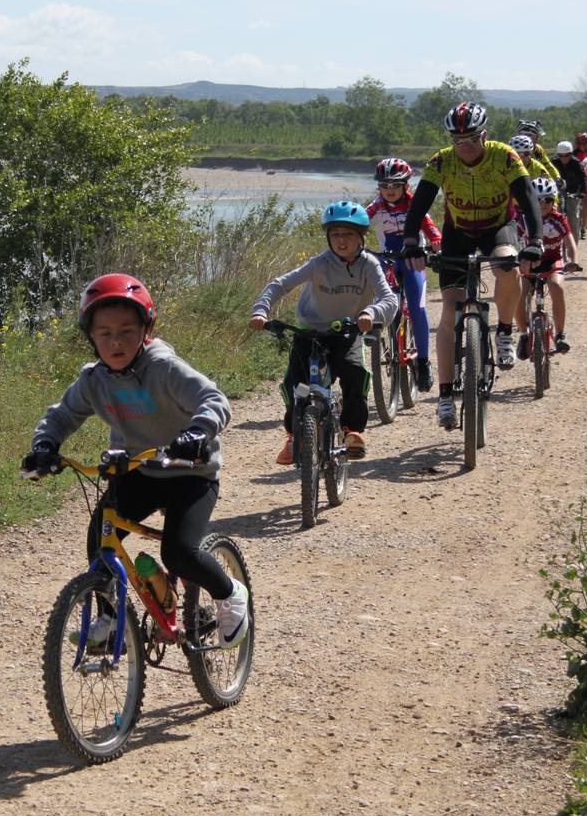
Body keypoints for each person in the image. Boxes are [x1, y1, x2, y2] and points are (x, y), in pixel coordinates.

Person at [22, 274, 249, 651]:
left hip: (190, 473)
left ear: (146, 329)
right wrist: (45, 446)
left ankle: (229, 593)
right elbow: (60, 416)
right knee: (101, 540)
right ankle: (111, 619)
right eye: (105, 332)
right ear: (90, 336)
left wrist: (196, 434)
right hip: (139, 471)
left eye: (127, 331)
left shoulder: (163, 368)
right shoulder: (93, 380)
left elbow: (214, 400)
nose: (116, 341)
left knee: (178, 554)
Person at [402, 101, 544, 430]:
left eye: (471, 139)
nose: (464, 147)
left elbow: (527, 197)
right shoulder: (442, 161)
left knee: (507, 266)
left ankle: (505, 332)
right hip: (458, 232)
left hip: (498, 226)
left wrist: (535, 240)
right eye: (458, 140)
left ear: (485, 135)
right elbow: (420, 202)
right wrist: (411, 241)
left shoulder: (504, 156)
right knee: (450, 313)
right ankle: (446, 397)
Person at [250, 201, 397, 464]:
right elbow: (279, 285)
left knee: (355, 371)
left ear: (361, 237)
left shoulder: (369, 265)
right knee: (295, 385)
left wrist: (370, 314)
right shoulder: (318, 264)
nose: (341, 241)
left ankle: (352, 431)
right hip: (310, 332)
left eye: (348, 235)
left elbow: (389, 299)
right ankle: (294, 436)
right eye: (336, 234)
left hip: (346, 332)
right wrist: (260, 311)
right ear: (328, 237)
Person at [366, 157, 440, 393]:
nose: (389, 191)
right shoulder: (376, 205)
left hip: (412, 259)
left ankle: (424, 362)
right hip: (387, 258)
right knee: (380, 294)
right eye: (384, 185)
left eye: (394, 186)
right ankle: (376, 329)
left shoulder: (414, 204)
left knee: (417, 310)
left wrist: (437, 241)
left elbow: (429, 227)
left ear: (405, 185)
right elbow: (358, 223)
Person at [515, 177, 579, 356]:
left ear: (554, 200)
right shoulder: (523, 219)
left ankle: (559, 335)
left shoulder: (559, 219)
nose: (543, 204)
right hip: (529, 263)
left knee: (556, 286)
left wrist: (572, 261)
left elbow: (570, 242)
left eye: (548, 200)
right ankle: (523, 334)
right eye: (538, 200)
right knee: (519, 293)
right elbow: (514, 241)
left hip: (552, 262)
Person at [551, 140, 587, 238]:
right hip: (557, 193)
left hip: (573, 193)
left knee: (573, 218)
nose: (564, 158)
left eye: (567, 155)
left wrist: (582, 192)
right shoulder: (553, 163)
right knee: (553, 215)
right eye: (561, 155)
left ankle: (574, 246)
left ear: (571, 154)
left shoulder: (576, 163)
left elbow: (583, 179)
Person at [571, 132, 587, 235]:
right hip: (574, 181)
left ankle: (583, 227)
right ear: (577, 143)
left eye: (586, 143)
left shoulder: (585, 153)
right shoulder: (573, 154)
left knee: (586, 202)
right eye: (581, 143)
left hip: (584, 180)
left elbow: (585, 166)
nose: (584, 145)